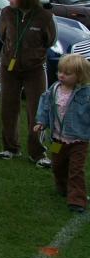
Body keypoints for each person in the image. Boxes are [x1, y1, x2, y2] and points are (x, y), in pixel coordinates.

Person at [0, 0, 57, 167]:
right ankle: (11, 147)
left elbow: (50, 40)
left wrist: (33, 54)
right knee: (8, 107)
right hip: (9, 67)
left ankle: (37, 153)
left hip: (34, 69)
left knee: (37, 110)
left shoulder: (44, 16)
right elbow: (2, 35)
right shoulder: (6, 13)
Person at [34, 54, 90, 213]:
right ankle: (63, 187)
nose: (61, 75)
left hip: (78, 140)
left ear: (79, 76)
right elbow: (45, 105)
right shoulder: (54, 89)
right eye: (60, 71)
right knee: (57, 166)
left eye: (67, 73)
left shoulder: (86, 93)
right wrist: (41, 122)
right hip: (57, 139)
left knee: (76, 169)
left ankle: (77, 199)